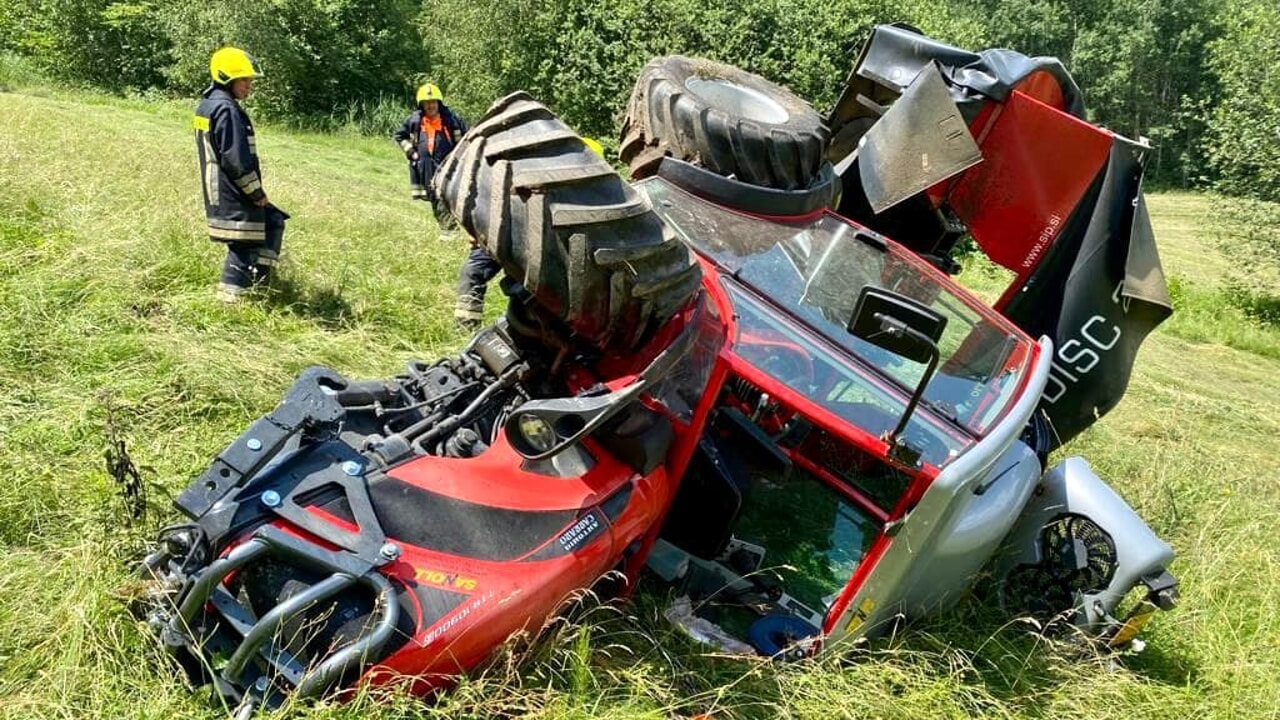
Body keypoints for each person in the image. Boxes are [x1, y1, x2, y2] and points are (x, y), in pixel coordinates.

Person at [451, 137, 606, 330]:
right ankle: (465, 326)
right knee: (474, 270)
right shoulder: (533, 182)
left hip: (546, 270)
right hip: (511, 234)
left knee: (529, 298)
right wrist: (479, 230)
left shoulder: (592, 205)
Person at [194, 47, 288, 302]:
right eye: (244, 80)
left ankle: (261, 286)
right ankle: (230, 302)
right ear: (227, 78)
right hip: (232, 192)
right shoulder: (226, 109)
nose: (249, 86)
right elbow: (236, 161)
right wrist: (256, 193)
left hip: (221, 190)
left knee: (273, 221)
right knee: (243, 246)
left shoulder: (208, 105)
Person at [394, 83, 467, 229]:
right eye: (426, 102)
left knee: (447, 197)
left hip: (448, 165)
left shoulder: (451, 120)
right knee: (434, 198)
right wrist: (412, 152)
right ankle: (449, 229)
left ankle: (451, 230)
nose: (430, 105)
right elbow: (399, 136)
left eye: (433, 102)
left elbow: (465, 139)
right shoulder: (414, 121)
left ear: (439, 102)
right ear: (421, 104)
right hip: (426, 167)